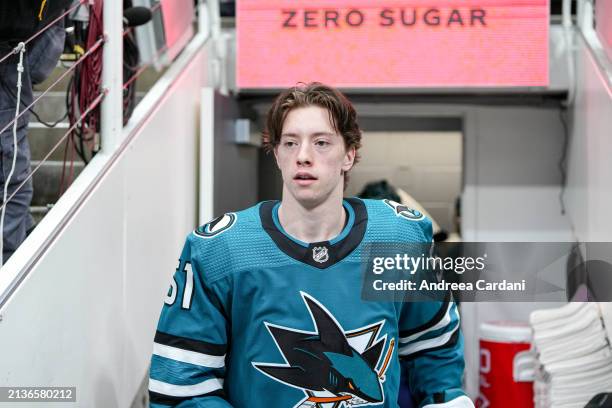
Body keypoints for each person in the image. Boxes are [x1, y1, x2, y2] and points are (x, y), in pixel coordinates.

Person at [148, 83, 473, 407]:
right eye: (290, 143)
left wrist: (444, 400)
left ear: (349, 155)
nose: (303, 156)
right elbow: (181, 386)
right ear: (276, 154)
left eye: (321, 143)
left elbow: (432, 347)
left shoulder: (397, 238)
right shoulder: (222, 249)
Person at [0, 1, 69, 261]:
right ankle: (13, 262)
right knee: (13, 178)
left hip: (17, 46)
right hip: (14, 45)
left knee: (13, 175)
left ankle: (19, 250)